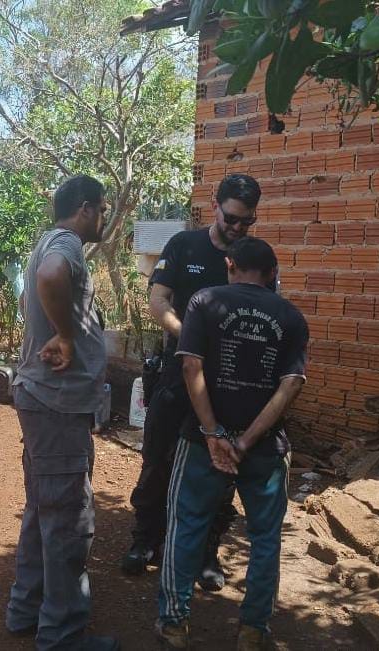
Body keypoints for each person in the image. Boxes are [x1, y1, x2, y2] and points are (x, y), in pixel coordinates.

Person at [156, 237, 307, 650]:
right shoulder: (291, 317)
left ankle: (174, 625)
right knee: (266, 538)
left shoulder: (204, 302)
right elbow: (291, 384)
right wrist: (244, 442)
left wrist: (213, 433)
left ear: (229, 266)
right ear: (272, 274)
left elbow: (191, 366)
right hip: (265, 448)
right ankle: (253, 631)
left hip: (201, 443)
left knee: (186, 525)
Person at [122, 174, 263, 592]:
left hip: (228, 385)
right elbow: (157, 300)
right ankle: (145, 540)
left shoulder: (251, 258)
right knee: (157, 459)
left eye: (246, 222)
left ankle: (207, 552)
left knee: (220, 467)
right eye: (231, 218)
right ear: (215, 205)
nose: (237, 228)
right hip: (177, 372)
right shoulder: (184, 246)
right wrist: (190, 340)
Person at [5, 174, 119, 651]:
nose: (105, 218)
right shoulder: (66, 245)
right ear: (86, 209)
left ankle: (26, 610)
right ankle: (62, 636)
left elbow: (35, 291)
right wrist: (67, 336)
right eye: (103, 210)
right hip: (55, 403)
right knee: (68, 521)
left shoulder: (47, 241)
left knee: (43, 509)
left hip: (42, 399)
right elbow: (52, 277)